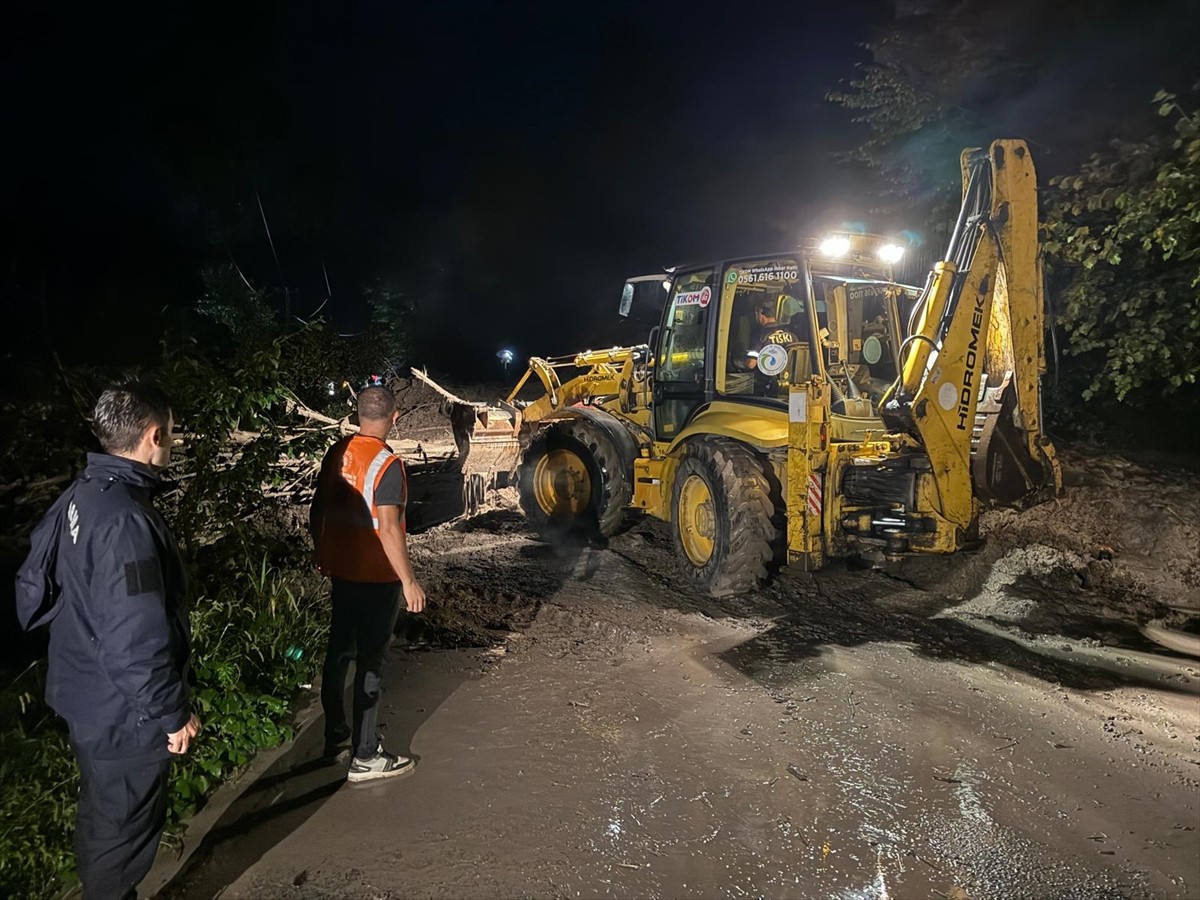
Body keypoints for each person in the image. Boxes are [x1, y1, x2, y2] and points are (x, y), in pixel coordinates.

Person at [34, 382, 198, 900]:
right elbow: (134, 640)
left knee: (103, 821)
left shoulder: (87, 491)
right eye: (170, 434)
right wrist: (171, 713)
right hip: (122, 713)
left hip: (87, 692)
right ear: (152, 436)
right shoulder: (126, 520)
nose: (171, 443)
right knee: (119, 841)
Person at [309, 385, 427, 782]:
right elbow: (389, 529)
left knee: (338, 654)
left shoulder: (338, 453)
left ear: (357, 414)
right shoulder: (387, 464)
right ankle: (365, 755)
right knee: (371, 662)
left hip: (342, 571)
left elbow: (318, 507)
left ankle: (335, 741)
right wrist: (408, 581)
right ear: (394, 417)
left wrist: (321, 550)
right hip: (377, 577)